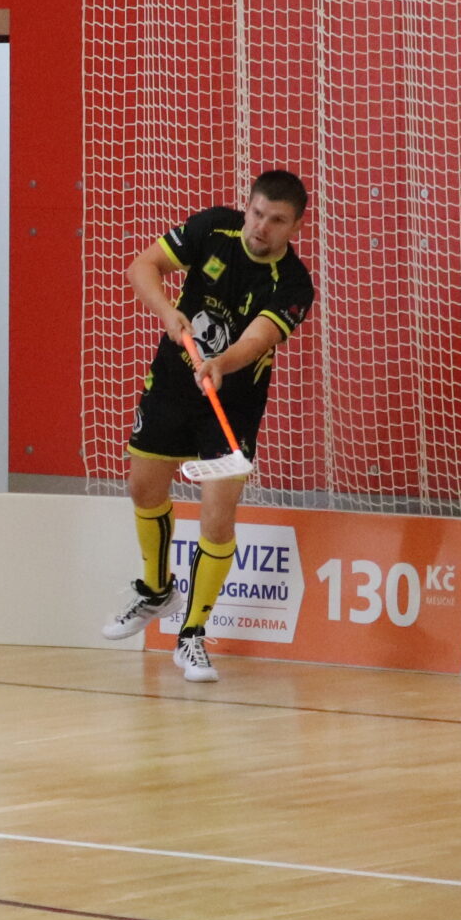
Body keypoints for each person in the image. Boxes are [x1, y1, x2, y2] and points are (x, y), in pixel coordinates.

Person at [100, 171, 315, 682]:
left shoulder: (293, 284)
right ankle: (156, 591)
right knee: (143, 487)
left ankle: (192, 634)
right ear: (248, 207)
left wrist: (221, 364)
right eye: (257, 213)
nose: (261, 227)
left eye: (277, 220)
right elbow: (143, 266)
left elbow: (257, 340)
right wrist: (167, 311)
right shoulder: (213, 229)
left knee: (217, 517)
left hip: (231, 405)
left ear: (295, 228)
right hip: (173, 385)